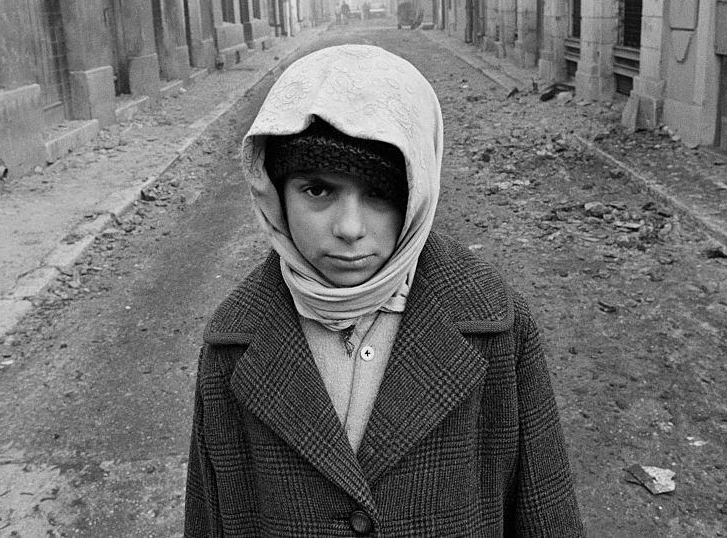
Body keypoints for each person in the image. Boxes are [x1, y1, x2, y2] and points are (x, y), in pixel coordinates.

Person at [184, 44, 584, 536]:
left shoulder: (496, 326)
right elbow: (212, 516)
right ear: (274, 191)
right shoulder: (232, 343)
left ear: (417, 193)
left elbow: (546, 511)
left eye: (380, 193)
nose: (350, 228)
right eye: (318, 190)